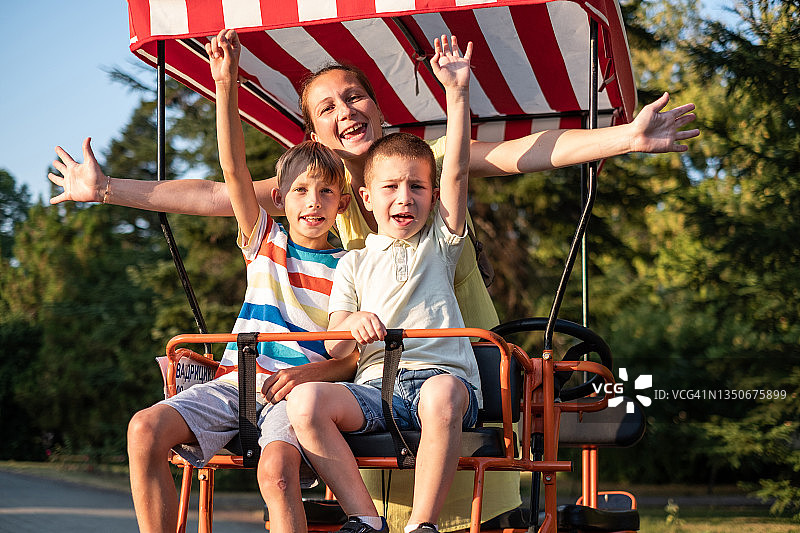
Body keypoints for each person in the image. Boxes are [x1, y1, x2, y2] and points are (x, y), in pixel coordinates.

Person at [49, 36, 699, 531]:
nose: (345, 109)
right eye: (326, 106)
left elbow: (519, 151)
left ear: (378, 104)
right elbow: (217, 192)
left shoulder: (426, 168)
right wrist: (106, 189)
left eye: (354, 95)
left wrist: (623, 139)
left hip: (453, 367)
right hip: (370, 387)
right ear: (314, 135)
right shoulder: (321, 196)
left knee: (470, 500)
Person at [126, 30, 355, 533]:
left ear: (341, 201)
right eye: (299, 192)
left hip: (293, 395)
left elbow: (350, 357)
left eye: (324, 193)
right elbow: (232, 168)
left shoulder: (353, 267)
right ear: (280, 200)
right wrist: (225, 83)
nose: (312, 202)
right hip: (235, 384)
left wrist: (310, 377)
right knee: (144, 428)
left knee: (275, 474)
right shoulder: (264, 241)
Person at [286, 35, 476, 533]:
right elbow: (333, 338)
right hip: (377, 388)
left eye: (417, 187)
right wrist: (354, 322)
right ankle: (366, 519)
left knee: (441, 397)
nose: (405, 198)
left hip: (441, 381)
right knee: (304, 402)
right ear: (365, 198)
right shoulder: (351, 263)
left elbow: (455, 171)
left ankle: (422, 525)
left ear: (432, 197)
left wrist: (457, 95)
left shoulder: (441, 239)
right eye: (391, 187)